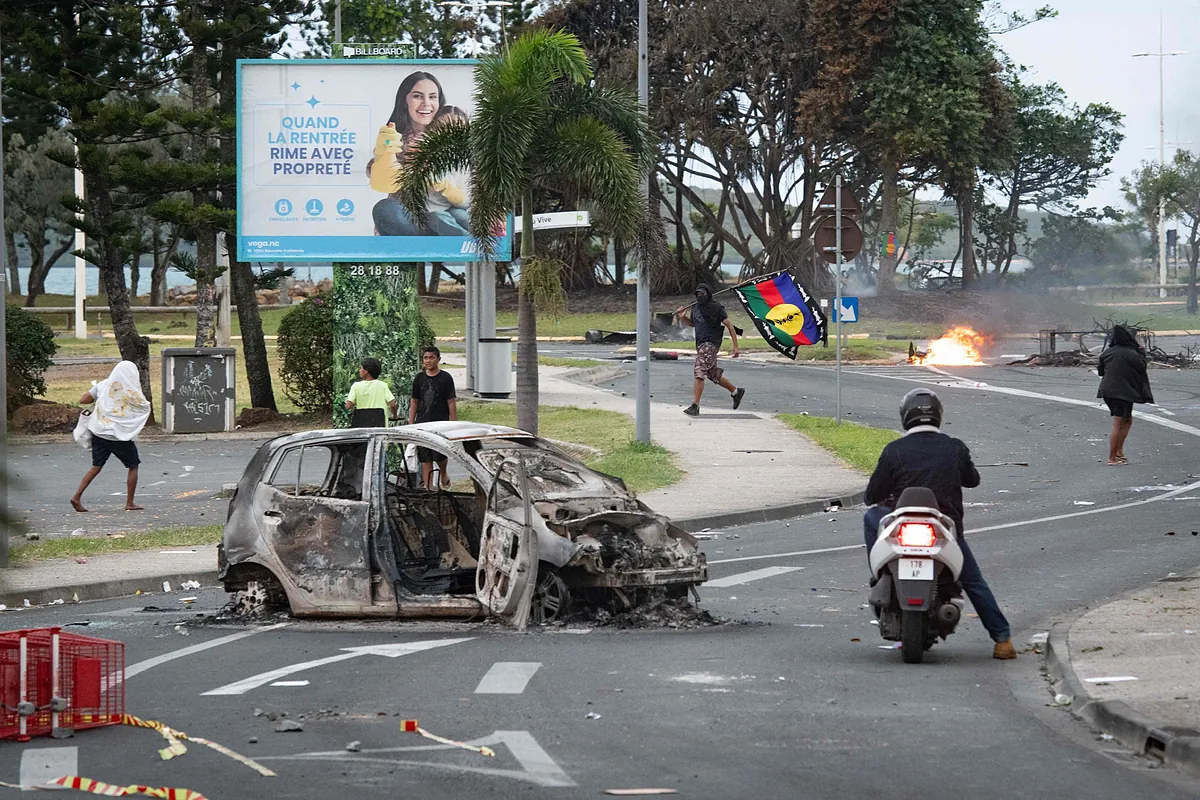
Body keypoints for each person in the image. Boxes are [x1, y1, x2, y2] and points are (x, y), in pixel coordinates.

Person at [862, 388, 1016, 660]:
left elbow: (871, 497)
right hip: (945, 530)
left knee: (871, 517)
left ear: (905, 417)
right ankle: (1002, 640)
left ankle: (879, 572)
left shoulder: (894, 450)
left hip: (901, 531)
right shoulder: (954, 447)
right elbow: (973, 480)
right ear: (938, 416)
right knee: (972, 581)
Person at [368, 72, 449, 236]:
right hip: (410, 220)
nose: (426, 103)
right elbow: (379, 178)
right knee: (385, 209)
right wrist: (382, 154)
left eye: (433, 97)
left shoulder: (452, 132)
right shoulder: (395, 138)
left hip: (448, 215)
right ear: (405, 101)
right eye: (418, 96)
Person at [70, 361, 151, 513]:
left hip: (99, 431)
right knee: (133, 465)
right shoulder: (132, 392)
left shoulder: (104, 385)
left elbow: (84, 399)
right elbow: (142, 408)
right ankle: (130, 502)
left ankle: (77, 497)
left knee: (96, 466)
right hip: (119, 436)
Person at [675, 283, 745, 417]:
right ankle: (736, 391)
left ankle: (695, 406)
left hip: (711, 343)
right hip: (701, 344)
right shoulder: (695, 307)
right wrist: (683, 316)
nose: (700, 296)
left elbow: (730, 326)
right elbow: (693, 324)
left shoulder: (716, 308)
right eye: (698, 294)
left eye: (703, 294)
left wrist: (735, 346)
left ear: (708, 294)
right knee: (712, 374)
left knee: (699, 371)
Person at [1097, 324, 1153, 466]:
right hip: (1122, 392)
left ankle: (1119, 452)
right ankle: (1112, 457)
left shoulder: (1107, 353)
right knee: (1119, 422)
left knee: (1127, 420)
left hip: (1108, 391)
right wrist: (1141, 352)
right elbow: (1141, 367)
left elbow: (1101, 372)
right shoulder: (1131, 353)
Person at [409, 345, 458, 488]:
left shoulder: (446, 378)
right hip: (422, 423)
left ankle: (443, 472)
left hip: (440, 423)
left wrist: (454, 423)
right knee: (425, 458)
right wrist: (411, 422)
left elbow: (451, 401)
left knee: (439, 454)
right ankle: (428, 488)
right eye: (425, 358)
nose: (428, 361)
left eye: (431, 358)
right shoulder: (419, 378)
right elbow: (414, 401)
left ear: (438, 359)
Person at [345, 357, 399, 428]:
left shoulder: (356, 386)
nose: (359, 370)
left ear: (366, 371)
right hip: (380, 427)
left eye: (361, 368)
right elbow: (392, 405)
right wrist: (394, 416)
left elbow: (348, 406)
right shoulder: (382, 385)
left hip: (362, 427)